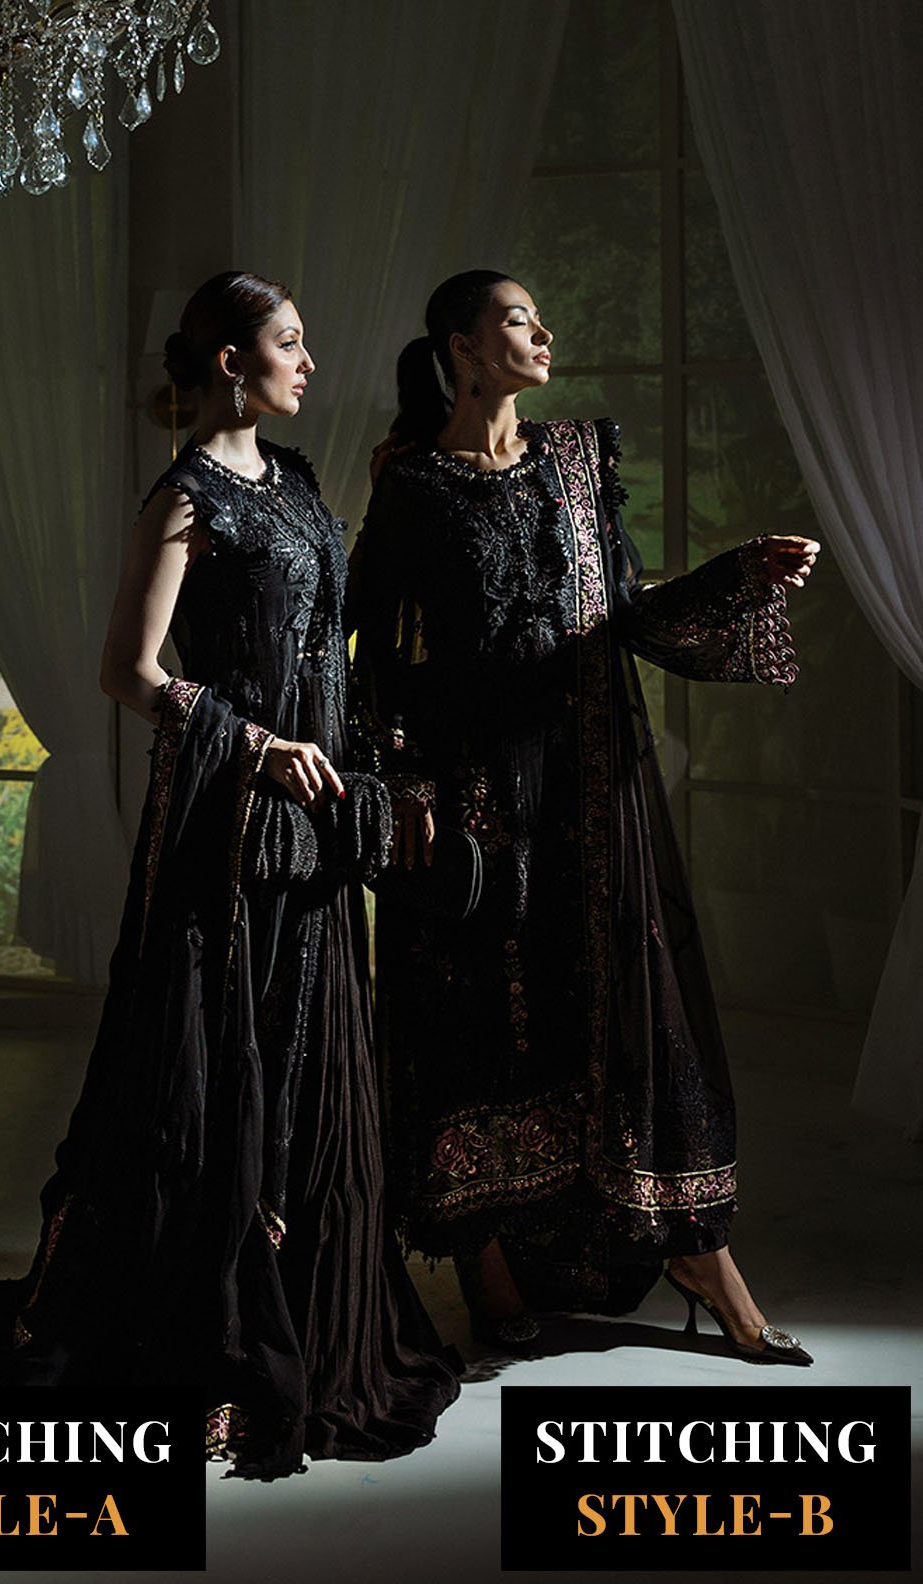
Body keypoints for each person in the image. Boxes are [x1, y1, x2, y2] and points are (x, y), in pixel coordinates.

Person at [0, 271, 459, 1478]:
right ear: (231, 360)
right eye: (290, 342)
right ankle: (209, 1333)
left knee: (311, 1052)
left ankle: (313, 1313)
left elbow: (331, 656)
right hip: (225, 822)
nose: (309, 361)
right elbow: (127, 669)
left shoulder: (300, 482)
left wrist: (371, 777)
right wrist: (255, 744)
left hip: (318, 817)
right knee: (221, 1055)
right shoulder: (183, 498)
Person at [351, 269, 818, 1363]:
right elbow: (373, 648)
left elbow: (626, 617)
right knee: (477, 1014)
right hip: (471, 798)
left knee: (629, 1009)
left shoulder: (576, 460)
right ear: (463, 348)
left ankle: (701, 1256)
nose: (543, 331)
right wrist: (404, 784)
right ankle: (488, 1260)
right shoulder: (412, 484)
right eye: (517, 319)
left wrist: (738, 576)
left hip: (588, 786)